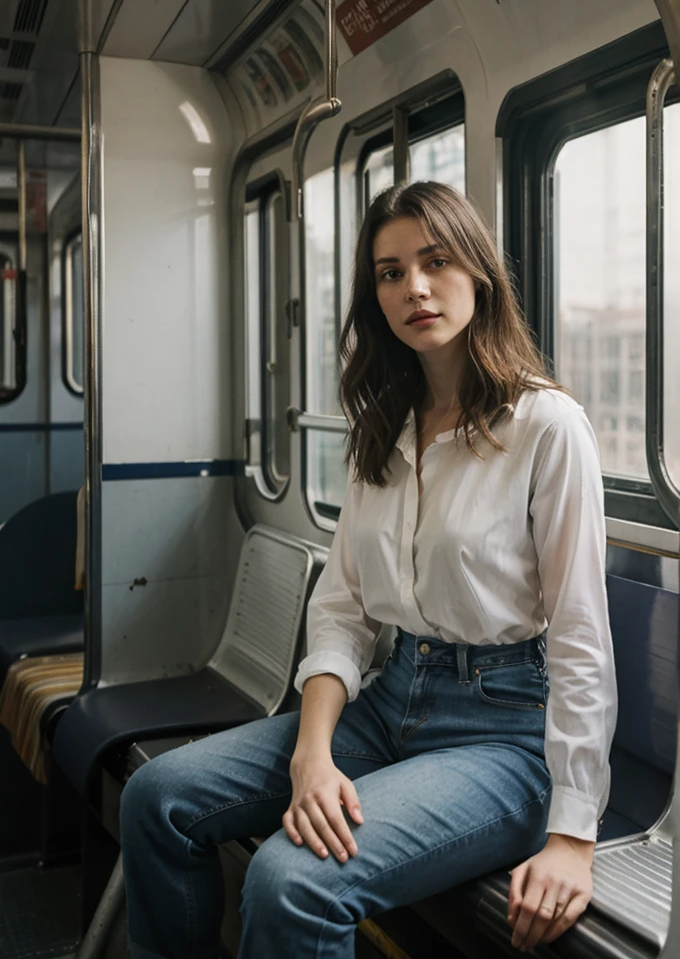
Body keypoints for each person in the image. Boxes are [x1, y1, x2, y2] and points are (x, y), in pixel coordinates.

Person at [120, 181, 617, 959]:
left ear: (478, 273)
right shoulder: (384, 428)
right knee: (158, 798)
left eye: (435, 261)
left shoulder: (547, 426)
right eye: (390, 273)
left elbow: (583, 636)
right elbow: (345, 611)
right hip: (390, 706)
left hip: (505, 734)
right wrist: (310, 753)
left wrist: (573, 836)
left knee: (291, 881)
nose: (414, 287)